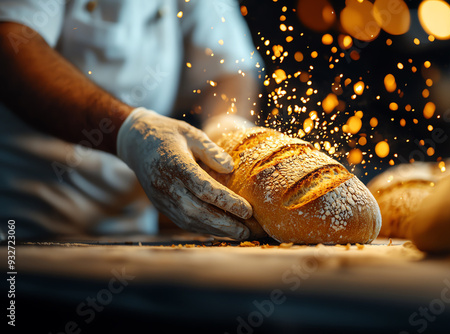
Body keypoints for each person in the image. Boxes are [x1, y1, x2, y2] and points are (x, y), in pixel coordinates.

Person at [0, 0, 263, 240]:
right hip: (23, 224)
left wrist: (227, 125)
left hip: (132, 232)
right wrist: (130, 131)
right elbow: (10, 45)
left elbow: (230, 68)